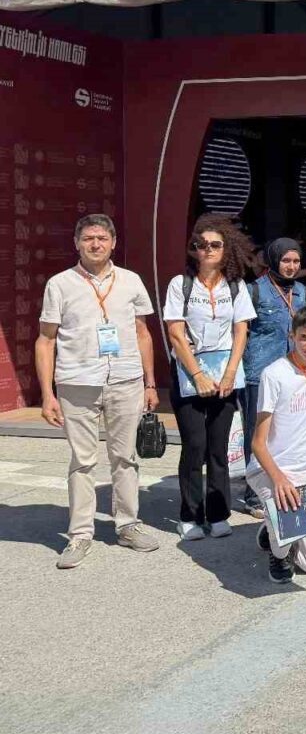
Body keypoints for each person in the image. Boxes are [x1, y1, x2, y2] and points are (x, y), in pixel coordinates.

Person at [36, 214, 161, 569]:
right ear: (77, 243)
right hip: (77, 383)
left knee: (125, 458)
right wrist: (48, 394)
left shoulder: (131, 281)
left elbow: (142, 334)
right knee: (83, 461)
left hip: (125, 379)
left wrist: (149, 382)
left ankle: (128, 525)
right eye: (88, 238)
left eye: (102, 238)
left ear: (113, 243)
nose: (95, 244)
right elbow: (45, 341)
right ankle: (79, 535)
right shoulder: (60, 284)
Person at [164, 214, 257, 541]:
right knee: (195, 446)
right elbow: (175, 334)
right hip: (190, 376)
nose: (207, 250)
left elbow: (241, 331)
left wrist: (231, 372)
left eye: (215, 245)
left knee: (217, 449)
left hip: (227, 377)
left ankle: (218, 514)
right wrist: (199, 375)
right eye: (200, 245)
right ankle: (189, 515)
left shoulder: (236, 286)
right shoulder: (180, 284)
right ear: (193, 250)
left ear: (225, 249)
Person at [246, 305, 306, 583]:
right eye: (303, 337)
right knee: (286, 530)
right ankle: (278, 551)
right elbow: (258, 443)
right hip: (272, 470)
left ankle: (272, 526)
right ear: (292, 336)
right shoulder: (274, 374)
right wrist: (278, 480)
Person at [241, 237, 306, 516]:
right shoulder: (253, 290)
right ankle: (253, 494)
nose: (291, 266)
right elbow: (242, 332)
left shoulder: (303, 291)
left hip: (293, 373)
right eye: (286, 261)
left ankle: (283, 484)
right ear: (273, 260)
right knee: (256, 433)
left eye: (295, 261)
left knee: (286, 431)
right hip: (260, 373)